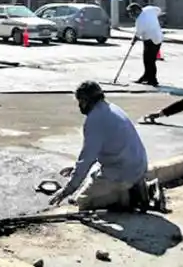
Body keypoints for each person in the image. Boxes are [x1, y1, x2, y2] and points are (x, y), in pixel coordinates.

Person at [49, 81, 152, 211]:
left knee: (82, 202)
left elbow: (87, 159)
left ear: (86, 100)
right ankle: (133, 186)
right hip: (137, 164)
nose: (79, 106)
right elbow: (103, 150)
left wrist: (66, 191)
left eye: (80, 101)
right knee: (92, 173)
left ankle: (127, 197)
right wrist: (76, 169)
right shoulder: (112, 108)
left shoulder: (94, 120)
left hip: (123, 171)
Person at [127, 3, 163, 86]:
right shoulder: (149, 9)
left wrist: (133, 41)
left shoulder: (140, 20)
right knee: (150, 60)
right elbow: (159, 10)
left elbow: (138, 33)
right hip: (158, 38)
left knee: (149, 61)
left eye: (131, 13)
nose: (131, 15)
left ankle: (153, 79)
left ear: (136, 11)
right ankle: (146, 76)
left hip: (150, 41)